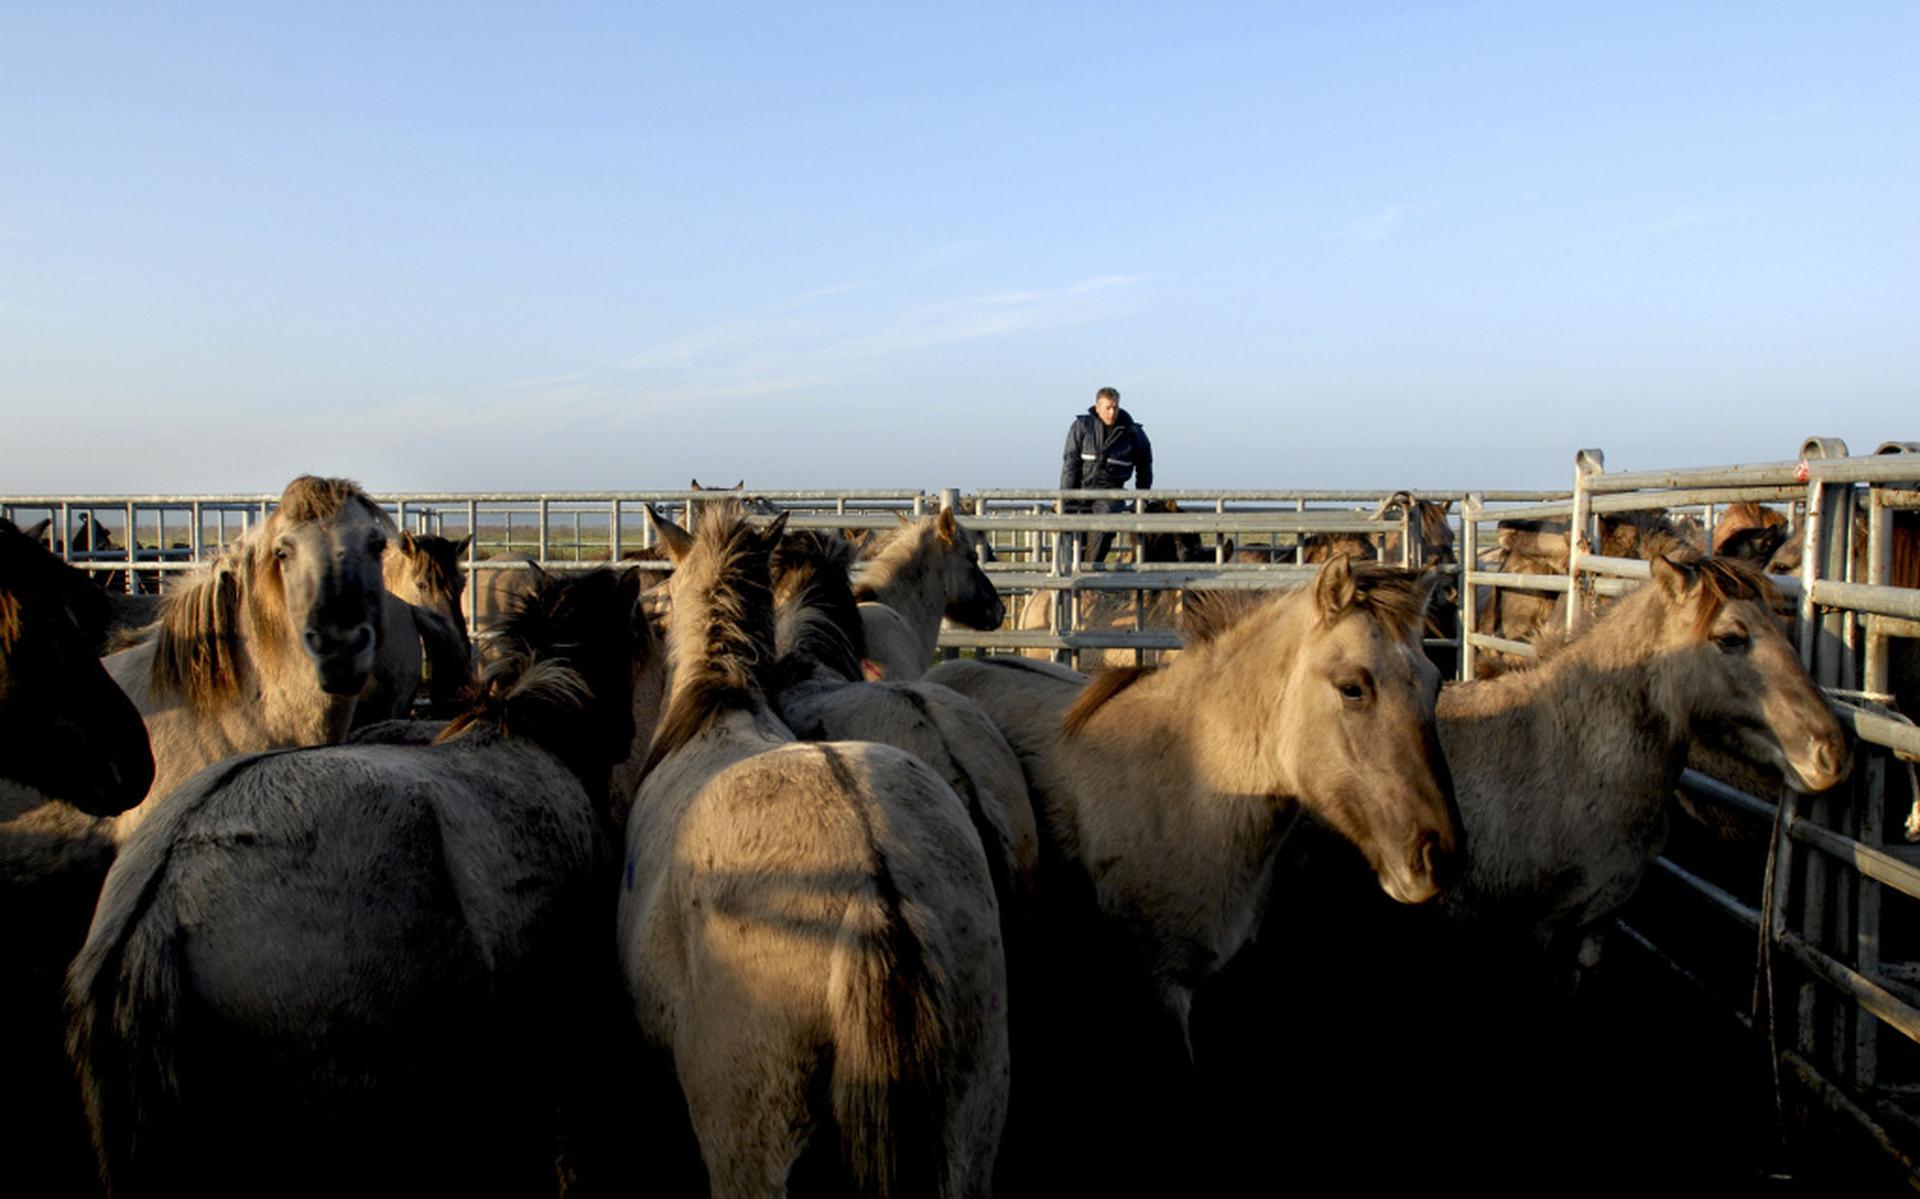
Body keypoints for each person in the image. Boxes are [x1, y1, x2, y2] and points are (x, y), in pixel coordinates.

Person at [1060, 386, 1153, 563]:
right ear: (1097, 408)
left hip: (1110, 493)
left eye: (1115, 407)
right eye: (1107, 408)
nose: (1112, 412)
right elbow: (1070, 464)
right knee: (1068, 530)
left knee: (1103, 525)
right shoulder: (1081, 427)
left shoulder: (1133, 433)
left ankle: (1089, 572)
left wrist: (1142, 497)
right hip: (1080, 491)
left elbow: (1145, 465)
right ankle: (1069, 579)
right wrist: (1064, 496)